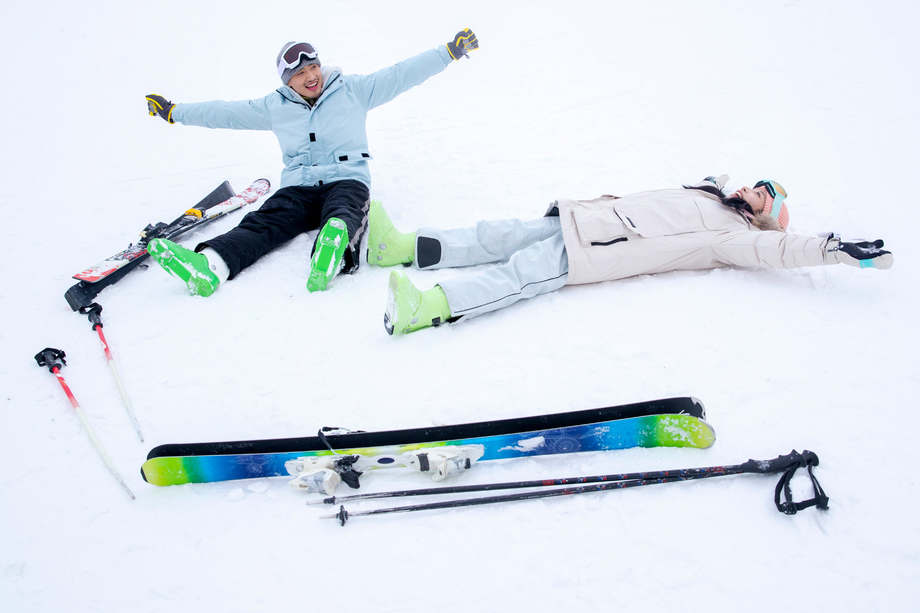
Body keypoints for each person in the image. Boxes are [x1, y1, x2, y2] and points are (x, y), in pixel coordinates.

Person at [143, 29, 479, 296]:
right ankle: (209, 266)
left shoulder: (353, 90)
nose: (311, 76)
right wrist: (175, 112)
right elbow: (224, 112)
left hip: (346, 178)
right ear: (287, 80)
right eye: (301, 72)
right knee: (263, 223)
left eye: (313, 67)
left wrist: (448, 51)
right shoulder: (274, 106)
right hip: (298, 188)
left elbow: (401, 74)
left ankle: (329, 256)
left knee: (344, 211)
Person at [365, 175, 894, 335]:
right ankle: (404, 247)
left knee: (517, 273)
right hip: (585, 218)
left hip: (601, 249)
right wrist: (708, 184)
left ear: (761, 215)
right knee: (498, 234)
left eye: (762, 198)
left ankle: (427, 307)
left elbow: (777, 250)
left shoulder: (733, 237)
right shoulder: (710, 195)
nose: (751, 193)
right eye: (755, 187)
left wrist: (830, 249)